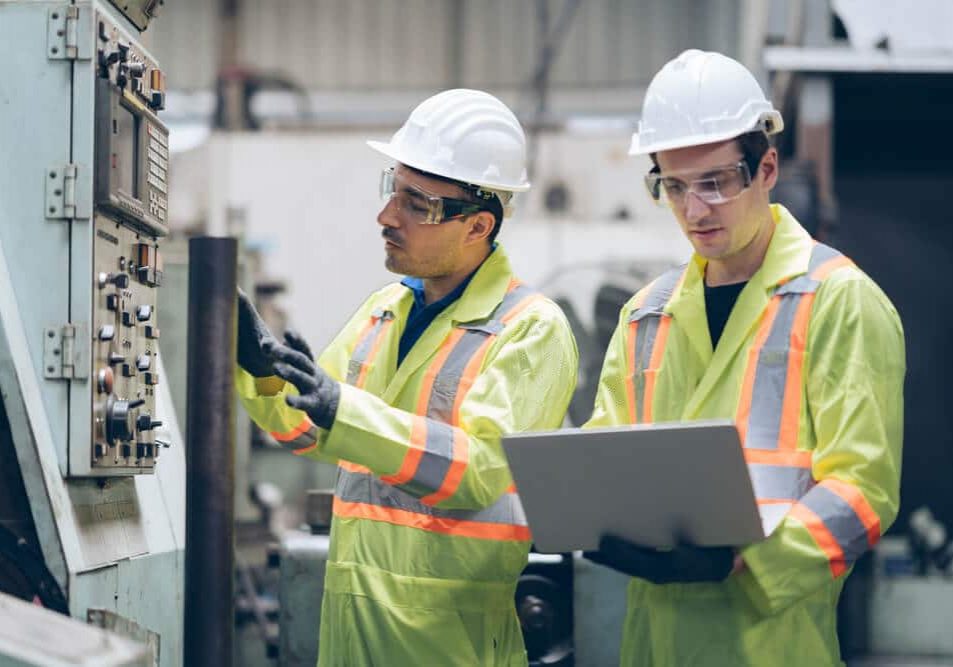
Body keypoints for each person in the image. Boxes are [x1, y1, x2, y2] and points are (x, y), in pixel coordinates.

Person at [583, 50, 904, 666]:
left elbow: (863, 491)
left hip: (772, 643)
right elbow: (605, 455)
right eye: (672, 186)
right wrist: (593, 518)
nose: (694, 210)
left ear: (767, 168)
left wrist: (744, 563)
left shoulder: (838, 300)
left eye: (716, 182)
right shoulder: (646, 313)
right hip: (652, 646)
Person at [235, 88, 578, 666]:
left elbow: (477, 469)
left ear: (477, 226)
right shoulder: (384, 311)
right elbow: (304, 429)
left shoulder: (530, 331)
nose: (387, 217)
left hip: (447, 647)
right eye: (392, 191)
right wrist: (258, 370)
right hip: (351, 634)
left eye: (416, 204)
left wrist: (342, 410)